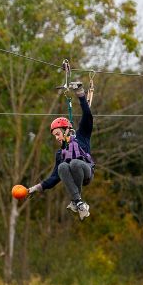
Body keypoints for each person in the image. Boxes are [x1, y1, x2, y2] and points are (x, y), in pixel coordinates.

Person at [28, 82, 95, 221]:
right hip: (74, 173)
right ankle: (79, 203)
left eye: (58, 134)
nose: (57, 138)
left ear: (66, 130)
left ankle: (77, 201)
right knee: (63, 166)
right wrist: (36, 188)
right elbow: (54, 178)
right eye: (55, 136)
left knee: (75, 163)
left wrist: (80, 93)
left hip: (87, 172)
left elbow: (87, 115)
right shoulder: (60, 154)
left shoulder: (82, 135)